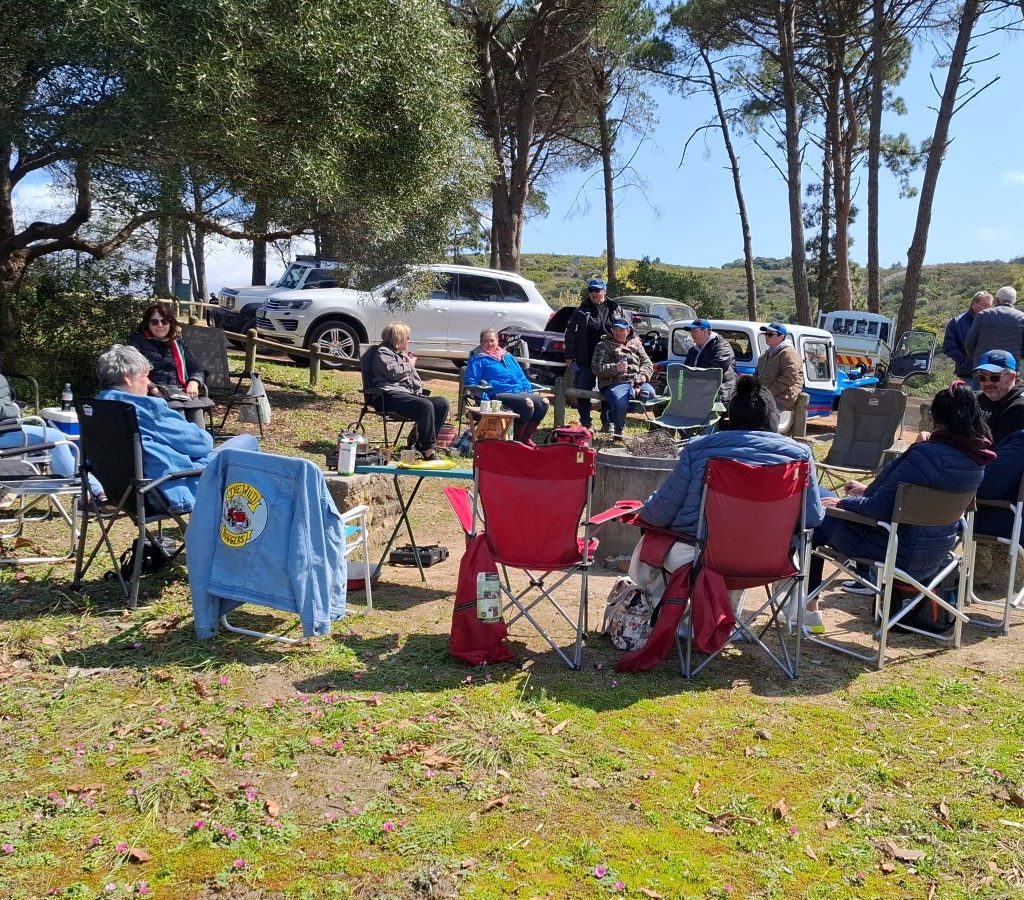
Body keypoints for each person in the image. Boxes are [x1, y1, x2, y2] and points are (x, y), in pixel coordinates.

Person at [805, 382, 993, 634]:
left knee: (814, 507)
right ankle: (808, 608)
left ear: (935, 418)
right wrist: (865, 490)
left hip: (895, 548)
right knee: (823, 501)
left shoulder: (927, 455)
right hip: (937, 551)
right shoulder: (976, 461)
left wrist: (843, 502)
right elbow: (914, 499)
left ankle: (809, 609)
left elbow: (878, 508)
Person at [96, 345, 258, 513]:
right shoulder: (145, 409)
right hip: (170, 488)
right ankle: (246, 515)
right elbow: (201, 444)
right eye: (145, 376)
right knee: (248, 442)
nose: (148, 383)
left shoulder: (97, 408)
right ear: (128, 379)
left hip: (122, 495)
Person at [371, 322, 449, 461]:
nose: (409, 340)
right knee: (425, 405)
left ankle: (420, 445)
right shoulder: (383, 352)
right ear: (399, 338)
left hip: (405, 394)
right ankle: (428, 450)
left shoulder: (401, 355)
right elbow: (394, 373)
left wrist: (409, 366)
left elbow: (413, 379)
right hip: (387, 396)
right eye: (407, 337)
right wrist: (409, 365)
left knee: (441, 403)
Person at [127, 302, 213, 426]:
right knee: (177, 410)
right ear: (147, 323)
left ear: (170, 323)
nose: (160, 325)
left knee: (196, 409)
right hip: (152, 391)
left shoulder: (179, 344)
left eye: (164, 321)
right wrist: (154, 389)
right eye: (154, 322)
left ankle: (200, 438)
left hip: (180, 390)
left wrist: (194, 382)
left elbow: (196, 369)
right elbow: (133, 370)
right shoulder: (137, 341)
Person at [464, 328, 548, 445]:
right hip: (496, 394)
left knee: (543, 403)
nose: (489, 344)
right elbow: (470, 382)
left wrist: (528, 390)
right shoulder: (477, 359)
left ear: (497, 341)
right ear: (481, 342)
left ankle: (525, 438)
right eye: (485, 341)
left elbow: (521, 376)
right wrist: (483, 396)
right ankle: (516, 441)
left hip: (518, 391)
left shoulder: (507, 356)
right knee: (527, 404)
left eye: (492, 340)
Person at [564, 278, 623, 430]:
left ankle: (607, 422)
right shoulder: (581, 310)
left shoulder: (615, 308)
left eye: (597, 290)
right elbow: (570, 333)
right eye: (591, 290)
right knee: (583, 390)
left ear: (604, 291)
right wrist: (569, 355)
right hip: (585, 358)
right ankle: (585, 422)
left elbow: (626, 330)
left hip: (609, 359)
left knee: (609, 390)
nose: (593, 293)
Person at [590, 317, 655, 438]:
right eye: (615, 329)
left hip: (635, 380)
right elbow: (596, 368)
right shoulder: (603, 345)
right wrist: (616, 368)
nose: (618, 333)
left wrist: (644, 375)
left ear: (628, 331)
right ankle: (618, 429)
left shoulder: (636, 343)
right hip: (614, 382)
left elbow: (647, 362)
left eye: (621, 330)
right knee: (620, 402)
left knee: (649, 393)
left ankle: (613, 412)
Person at [754, 322, 803, 431]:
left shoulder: (789, 353)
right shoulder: (765, 354)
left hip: (784, 395)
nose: (766, 336)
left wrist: (767, 394)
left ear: (781, 337)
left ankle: (767, 437)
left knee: (763, 415)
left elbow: (788, 379)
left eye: (770, 334)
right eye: (766, 334)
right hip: (767, 394)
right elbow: (756, 375)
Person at [972, 350, 1024, 446]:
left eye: (994, 377)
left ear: (1012, 377)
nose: (988, 383)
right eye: (982, 378)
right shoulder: (976, 399)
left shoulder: (1019, 408)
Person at [965, 285, 1024, 369]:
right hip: (1009, 368)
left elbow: (969, 343)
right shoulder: (1021, 317)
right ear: (1014, 301)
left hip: (984, 367)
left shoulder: (983, 315)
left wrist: (978, 359)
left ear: (997, 299)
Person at [681, 318, 737, 403]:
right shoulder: (693, 349)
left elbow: (718, 367)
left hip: (720, 394)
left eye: (694, 330)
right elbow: (686, 368)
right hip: (699, 393)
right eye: (691, 331)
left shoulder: (722, 345)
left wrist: (695, 376)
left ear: (705, 332)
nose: (692, 334)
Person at [944, 291, 994, 380]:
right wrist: (964, 361)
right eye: (984, 305)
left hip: (990, 374)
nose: (987, 308)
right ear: (973, 304)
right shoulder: (957, 322)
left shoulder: (994, 322)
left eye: (989, 306)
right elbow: (948, 346)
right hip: (967, 374)